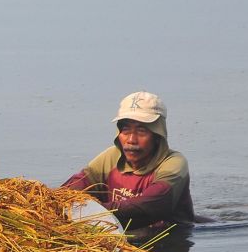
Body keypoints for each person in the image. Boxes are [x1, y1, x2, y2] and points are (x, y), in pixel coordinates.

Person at [62, 91, 194, 231]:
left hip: (171, 239)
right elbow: (72, 188)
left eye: (141, 131)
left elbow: (151, 206)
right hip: (119, 232)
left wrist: (89, 211)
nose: (131, 140)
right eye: (125, 130)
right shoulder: (110, 157)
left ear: (157, 135)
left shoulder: (174, 164)